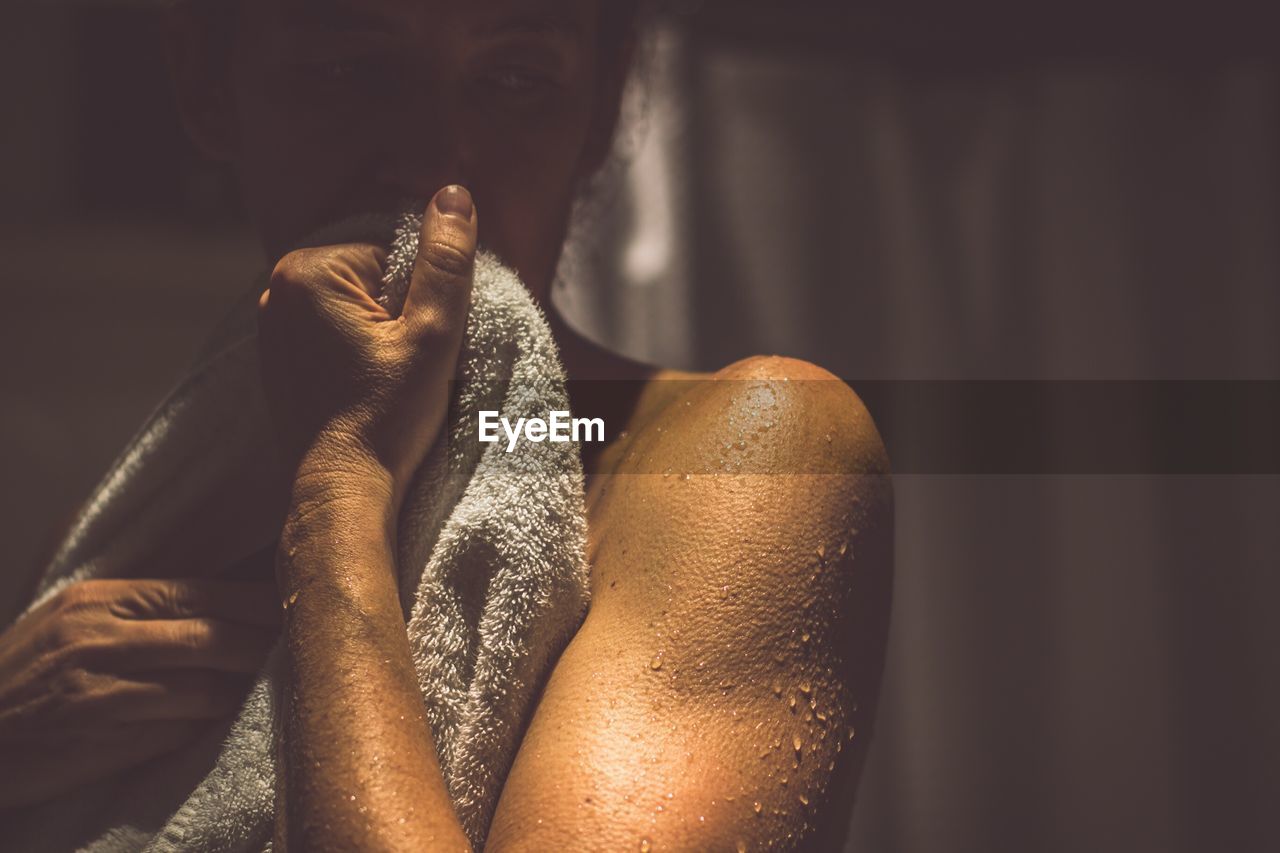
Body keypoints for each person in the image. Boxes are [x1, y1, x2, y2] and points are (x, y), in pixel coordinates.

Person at [0, 1, 893, 849]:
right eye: (349, 67)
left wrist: (341, 475)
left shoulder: (752, 458)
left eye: (516, 76)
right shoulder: (136, 536)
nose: (436, 163)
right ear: (203, 79)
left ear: (604, 104)